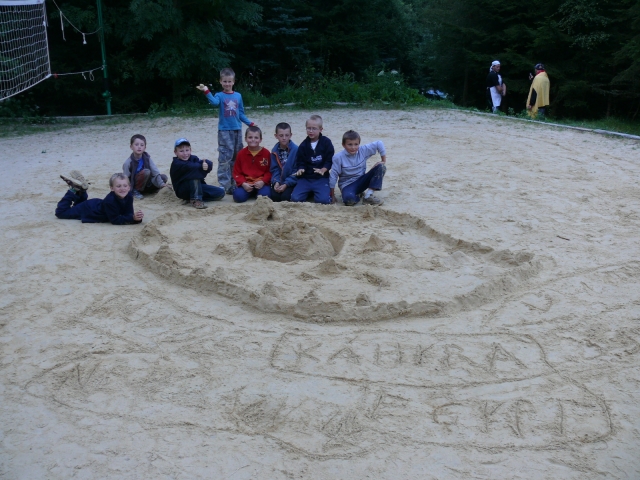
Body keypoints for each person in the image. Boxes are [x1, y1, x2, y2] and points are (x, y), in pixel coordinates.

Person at [196, 68, 256, 195]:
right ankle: (224, 184)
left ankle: (234, 182)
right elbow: (214, 103)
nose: (227, 84)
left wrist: (249, 123)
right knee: (225, 157)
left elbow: (240, 113)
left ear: (233, 81)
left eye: (229, 81)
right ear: (220, 81)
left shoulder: (238, 96)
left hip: (237, 130)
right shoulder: (220, 95)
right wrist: (206, 91)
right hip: (224, 131)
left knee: (236, 156)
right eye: (225, 81)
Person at [55, 171, 143, 224]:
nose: (122, 189)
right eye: (118, 186)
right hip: (89, 209)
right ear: (112, 188)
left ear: (129, 187)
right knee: (61, 213)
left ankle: (81, 190)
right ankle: (73, 191)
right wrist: (132, 218)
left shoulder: (129, 196)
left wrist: (137, 218)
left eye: (125, 186)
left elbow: (128, 214)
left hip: (96, 204)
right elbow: (115, 220)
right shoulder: (110, 201)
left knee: (77, 206)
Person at [330, 130, 387, 206]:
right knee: (349, 201)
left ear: (359, 144)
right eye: (350, 144)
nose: (353, 147)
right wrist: (332, 195)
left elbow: (379, 143)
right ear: (343, 145)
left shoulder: (362, 150)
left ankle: (368, 196)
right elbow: (333, 176)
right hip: (347, 185)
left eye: (356, 144)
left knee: (381, 167)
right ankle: (357, 195)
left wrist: (383, 160)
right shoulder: (338, 157)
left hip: (362, 180)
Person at [169, 138, 225, 209]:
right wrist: (202, 167)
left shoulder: (193, 158)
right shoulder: (176, 163)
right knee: (194, 175)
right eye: (181, 151)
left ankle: (193, 198)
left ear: (190, 150)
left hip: (197, 187)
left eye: (187, 150)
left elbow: (206, 162)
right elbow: (193, 168)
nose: (185, 153)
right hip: (183, 190)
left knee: (220, 193)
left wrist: (206, 165)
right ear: (175, 152)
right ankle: (196, 200)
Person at [291, 115, 334, 204]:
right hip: (306, 178)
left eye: (314, 128)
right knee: (295, 198)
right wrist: (301, 169)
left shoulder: (326, 142)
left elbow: (329, 160)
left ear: (320, 129)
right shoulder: (303, 146)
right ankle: (310, 192)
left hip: (321, 178)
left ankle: (321, 192)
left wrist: (323, 169)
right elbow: (300, 161)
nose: (311, 131)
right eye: (308, 128)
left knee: (323, 200)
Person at [123, 134, 170, 199]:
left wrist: (161, 184)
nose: (139, 147)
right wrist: (128, 190)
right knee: (146, 172)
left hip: (146, 183)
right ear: (131, 147)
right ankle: (135, 191)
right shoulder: (128, 163)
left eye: (142, 145)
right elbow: (125, 178)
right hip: (134, 185)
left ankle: (150, 191)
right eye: (136, 145)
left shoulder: (147, 158)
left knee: (164, 177)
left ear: (145, 148)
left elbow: (155, 171)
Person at [232, 126, 272, 203]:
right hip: (247, 183)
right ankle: (250, 193)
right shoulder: (241, 154)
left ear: (260, 139)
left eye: (256, 138)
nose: (253, 140)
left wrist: (263, 181)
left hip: (261, 183)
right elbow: (237, 172)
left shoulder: (266, 153)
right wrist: (243, 183)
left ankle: (256, 193)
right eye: (250, 137)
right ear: (245, 139)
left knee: (265, 196)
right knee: (238, 197)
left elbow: (269, 171)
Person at [269, 122, 299, 202]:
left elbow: (296, 171)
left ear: (290, 135)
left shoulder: (296, 150)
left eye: (287, 135)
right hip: (280, 181)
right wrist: (276, 182)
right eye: (281, 135)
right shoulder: (274, 151)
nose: (284, 138)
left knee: (285, 197)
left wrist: (286, 184)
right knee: (274, 196)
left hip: (292, 181)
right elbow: (274, 169)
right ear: (276, 136)